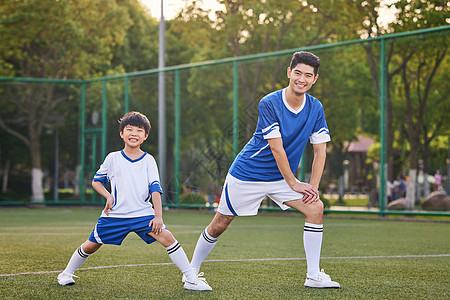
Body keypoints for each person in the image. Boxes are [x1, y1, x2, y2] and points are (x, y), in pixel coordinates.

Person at [185, 51, 340, 289]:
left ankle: (313, 275)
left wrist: (313, 188)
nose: (302, 79)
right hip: (248, 174)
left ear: (314, 79)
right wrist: (295, 183)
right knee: (220, 224)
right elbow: (277, 149)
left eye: (308, 75)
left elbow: (320, 151)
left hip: (281, 178)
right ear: (289, 73)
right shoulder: (269, 103)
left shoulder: (316, 108)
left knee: (315, 208)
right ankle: (191, 272)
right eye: (298, 73)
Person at [57, 111, 211, 291]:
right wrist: (108, 196)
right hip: (115, 215)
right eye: (129, 129)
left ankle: (191, 279)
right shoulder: (112, 158)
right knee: (91, 245)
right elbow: (96, 181)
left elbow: (155, 188)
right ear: (121, 133)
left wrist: (158, 216)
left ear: (145, 136)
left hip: (143, 214)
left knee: (168, 238)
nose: (134, 133)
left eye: (139, 130)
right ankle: (66, 273)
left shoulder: (149, 160)